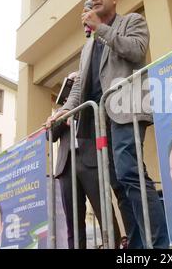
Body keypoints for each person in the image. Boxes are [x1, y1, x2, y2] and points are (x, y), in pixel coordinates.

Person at [46, 0, 168, 249]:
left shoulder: (131, 22)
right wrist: (63, 112)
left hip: (126, 110)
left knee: (129, 173)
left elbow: (136, 51)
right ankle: (136, 246)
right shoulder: (88, 45)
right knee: (118, 185)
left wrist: (100, 28)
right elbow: (79, 86)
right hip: (100, 122)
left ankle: (159, 245)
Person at [47, 72, 128, 249]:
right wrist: (60, 116)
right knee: (73, 224)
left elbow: (103, 120)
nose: (73, 84)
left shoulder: (91, 102)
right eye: (70, 82)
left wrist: (78, 111)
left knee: (105, 214)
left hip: (91, 161)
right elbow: (50, 136)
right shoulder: (59, 111)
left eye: (77, 81)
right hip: (66, 167)